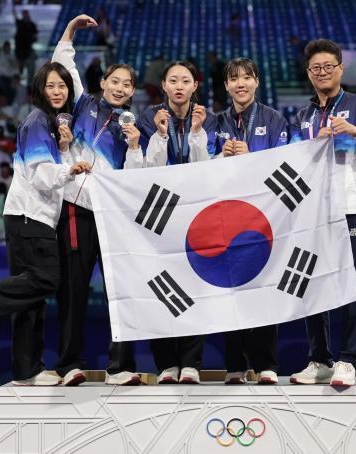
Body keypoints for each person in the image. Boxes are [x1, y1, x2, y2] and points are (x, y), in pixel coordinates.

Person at [0, 61, 92, 387]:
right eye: (51, 86)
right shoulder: (36, 122)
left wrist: (62, 148)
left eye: (62, 86)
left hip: (28, 215)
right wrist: (70, 169)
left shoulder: (48, 124)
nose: (58, 91)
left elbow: (45, 166)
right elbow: (41, 175)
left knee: (29, 296)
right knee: (46, 280)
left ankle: (25, 370)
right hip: (31, 216)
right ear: (39, 91)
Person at [289, 39, 356, 387]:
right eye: (316, 68)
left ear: (340, 69)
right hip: (312, 211)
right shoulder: (303, 116)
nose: (322, 73)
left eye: (328, 67)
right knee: (311, 285)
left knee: (351, 283)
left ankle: (347, 360)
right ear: (309, 73)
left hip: (350, 208)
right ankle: (319, 358)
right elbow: (290, 164)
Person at [52, 15, 144, 387]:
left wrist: (136, 145)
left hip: (114, 215)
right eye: (115, 81)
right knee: (73, 288)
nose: (120, 88)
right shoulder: (83, 102)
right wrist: (71, 31)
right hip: (77, 210)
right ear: (103, 82)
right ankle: (69, 363)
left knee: (121, 290)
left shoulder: (132, 125)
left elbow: (137, 173)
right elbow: (63, 66)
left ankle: (120, 366)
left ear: (133, 91)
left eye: (127, 85)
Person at [132, 60, 217, 385]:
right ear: (164, 86)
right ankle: (166, 363)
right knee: (162, 287)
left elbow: (207, 169)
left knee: (195, 286)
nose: (179, 86)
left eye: (186, 80)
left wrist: (196, 134)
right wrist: (161, 134)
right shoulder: (148, 118)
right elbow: (144, 168)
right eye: (173, 80)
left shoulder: (208, 118)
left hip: (196, 213)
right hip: (159, 215)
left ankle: (191, 362)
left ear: (195, 85)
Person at [211, 57, 290, 385]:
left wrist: (253, 159)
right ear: (226, 85)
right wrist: (221, 157)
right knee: (231, 292)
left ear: (256, 81)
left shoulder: (274, 120)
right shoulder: (215, 123)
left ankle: (266, 364)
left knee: (264, 288)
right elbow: (200, 170)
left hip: (264, 219)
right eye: (234, 79)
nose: (240, 83)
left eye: (246, 77)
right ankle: (235, 365)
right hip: (226, 219)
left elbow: (286, 165)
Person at [14, 8, 38, 79]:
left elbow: (35, 35)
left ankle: (28, 77)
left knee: (27, 62)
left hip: (27, 47)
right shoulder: (20, 23)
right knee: (20, 60)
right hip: (19, 46)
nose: (25, 15)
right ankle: (20, 74)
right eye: (24, 14)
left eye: (26, 14)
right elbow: (15, 17)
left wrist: (32, 39)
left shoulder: (31, 24)